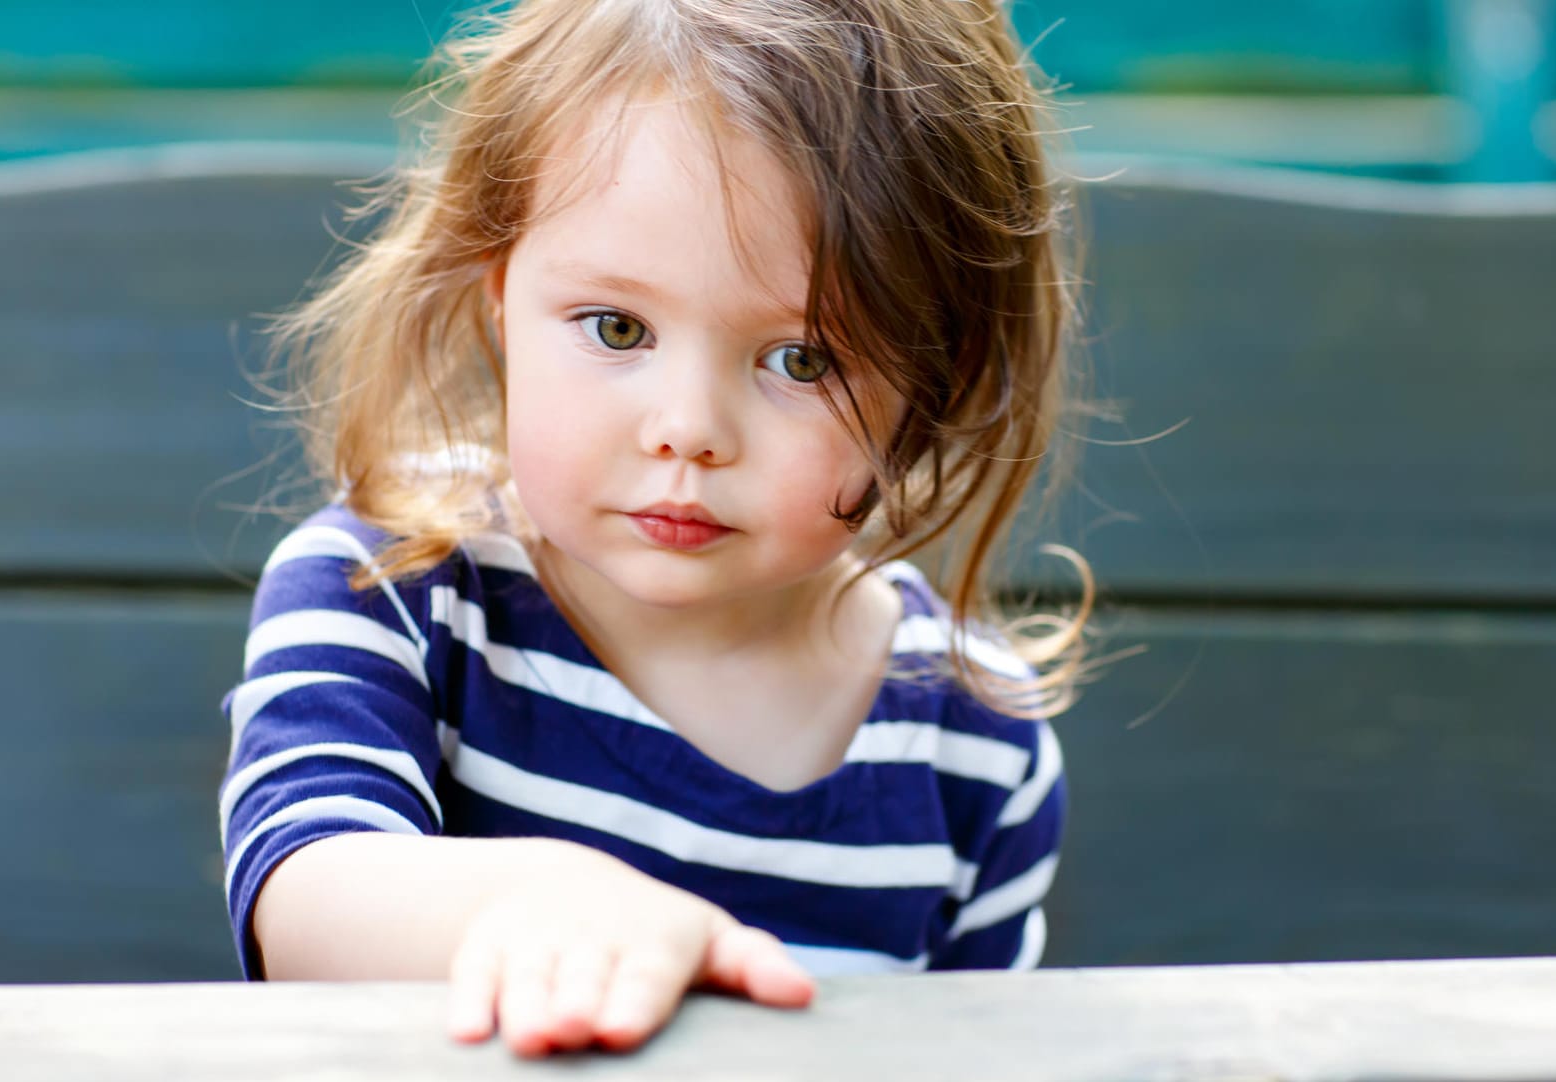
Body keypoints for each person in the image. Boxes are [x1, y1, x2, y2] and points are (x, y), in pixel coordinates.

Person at [220, 0, 1090, 1059]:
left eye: (802, 360)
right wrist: (553, 903)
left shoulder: (974, 747)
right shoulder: (395, 584)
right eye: (617, 328)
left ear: (935, 380)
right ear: (502, 300)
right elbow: (303, 896)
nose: (686, 429)